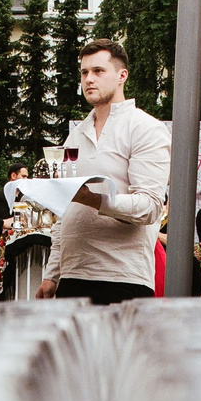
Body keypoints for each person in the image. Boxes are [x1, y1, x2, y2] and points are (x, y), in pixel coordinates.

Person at [41, 40, 169, 304]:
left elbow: (150, 207)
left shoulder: (146, 128)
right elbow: (64, 211)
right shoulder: (75, 135)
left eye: (98, 71)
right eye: (84, 72)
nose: (89, 79)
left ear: (122, 75)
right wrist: (52, 273)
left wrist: (93, 199)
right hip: (72, 275)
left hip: (122, 275)